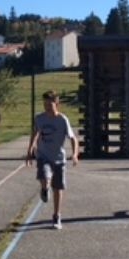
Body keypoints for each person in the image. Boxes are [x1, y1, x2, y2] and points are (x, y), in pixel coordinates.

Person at [26, 90, 79, 229]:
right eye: (45, 105)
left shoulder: (62, 120)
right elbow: (35, 134)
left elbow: (73, 138)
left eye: (50, 105)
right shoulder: (39, 118)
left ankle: (56, 216)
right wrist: (30, 150)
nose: (47, 107)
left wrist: (74, 154)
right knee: (45, 176)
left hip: (59, 158)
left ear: (57, 104)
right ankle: (44, 188)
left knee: (58, 188)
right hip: (43, 156)